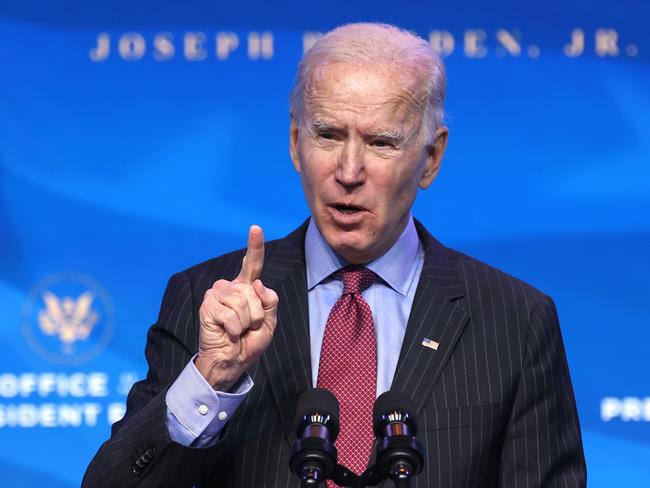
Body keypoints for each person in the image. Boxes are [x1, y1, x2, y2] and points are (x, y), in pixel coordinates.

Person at [83, 22, 586, 487]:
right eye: (328, 135)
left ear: (431, 158)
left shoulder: (515, 321)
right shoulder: (208, 300)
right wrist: (212, 376)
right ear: (296, 142)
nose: (348, 170)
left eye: (381, 143)